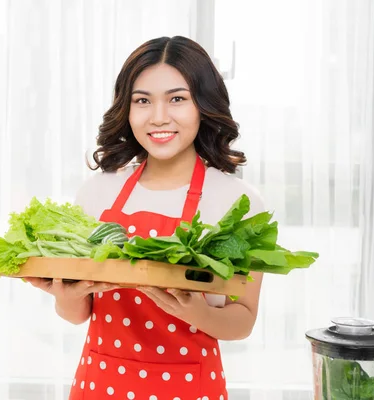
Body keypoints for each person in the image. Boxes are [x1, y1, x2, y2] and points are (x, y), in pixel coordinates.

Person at [26, 36, 265, 400]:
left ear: (203, 104)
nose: (158, 117)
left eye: (177, 99)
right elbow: (78, 314)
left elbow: (243, 320)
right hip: (101, 384)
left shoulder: (239, 202)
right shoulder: (97, 192)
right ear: (127, 108)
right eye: (143, 101)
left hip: (190, 388)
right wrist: (64, 295)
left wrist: (194, 311)